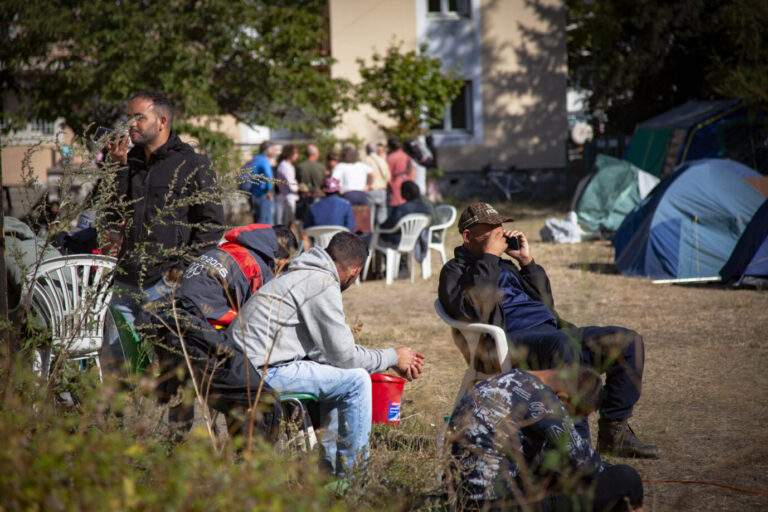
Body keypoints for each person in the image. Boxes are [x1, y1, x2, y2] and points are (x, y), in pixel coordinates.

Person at [438, 202, 660, 459]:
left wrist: (527, 262)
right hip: (511, 342)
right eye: (490, 230)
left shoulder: (504, 265)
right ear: (468, 237)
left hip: (551, 334)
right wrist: (489, 257)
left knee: (628, 341)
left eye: (500, 227)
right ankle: (576, 444)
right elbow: (476, 311)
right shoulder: (454, 271)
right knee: (562, 344)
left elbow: (545, 304)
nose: (499, 234)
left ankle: (615, 434)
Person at [229, 232, 425, 475]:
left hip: (240, 368)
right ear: (355, 271)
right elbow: (345, 357)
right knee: (357, 380)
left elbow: (332, 356)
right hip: (259, 374)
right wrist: (393, 357)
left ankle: (328, 469)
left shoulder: (301, 274)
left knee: (340, 376)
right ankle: (353, 479)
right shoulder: (321, 283)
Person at [153, 223, 297, 431]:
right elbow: (259, 320)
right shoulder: (257, 267)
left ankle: (176, 438)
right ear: (282, 260)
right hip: (202, 334)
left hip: (172, 325)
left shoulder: (225, 249)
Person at [448, 366, 644, 511]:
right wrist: (608, 470)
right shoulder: (544, 400)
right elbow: (586, 464)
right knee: (626, 478)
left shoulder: (507, 379)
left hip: (463, 499)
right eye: (575, 416)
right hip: (497, 505)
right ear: (564, 398)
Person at [106, 90, 225, 330]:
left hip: (164, 283)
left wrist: (180, 270)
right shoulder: (128, 162)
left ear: (162, 122)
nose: (131, 125)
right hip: (126, 282)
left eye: (139, 117)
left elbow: (212, 225)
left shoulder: (192, 164)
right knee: (123, 362)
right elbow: (112, 214)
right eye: (129, 117)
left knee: (164, 360)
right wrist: (117, 170)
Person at [378, 181, 431, 247]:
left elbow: (388, 226)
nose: (400, 193)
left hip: (398, 241)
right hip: (417, 242)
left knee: (374, 237)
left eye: (402, 190)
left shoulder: (402, 209)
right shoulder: (425, 208)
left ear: (407, 193)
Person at [243, 141, 278, 225]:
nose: (276, 151)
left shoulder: (255, 158)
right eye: (274, 149)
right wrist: (268, 191)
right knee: (266, 224)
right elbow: (269, 177)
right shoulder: (264, 160)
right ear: (268, 151)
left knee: (258, 222)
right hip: (262, 195)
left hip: (253, 194)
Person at [361, 142, 391, 226]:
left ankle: (370, 237)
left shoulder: (365, 160)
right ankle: (382, 235)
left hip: (371, 190)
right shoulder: (382, 160)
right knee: (382, 218)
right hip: (382, 191)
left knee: (370, 218)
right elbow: (388, 177)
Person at [274, 144, 300, 225]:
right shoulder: (284, 166)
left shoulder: (288, 165)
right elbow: (292, 185)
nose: (297, 155)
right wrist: (300, 189)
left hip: (290, 197)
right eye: (296, 153)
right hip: (289, 197)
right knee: (292, 223)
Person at [386, 136, 414, 209]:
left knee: (395, 206)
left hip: (395, 183)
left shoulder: (391, 157)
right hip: (406, 182)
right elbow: (411, 171)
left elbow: (388, 174)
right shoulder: (406, 156)